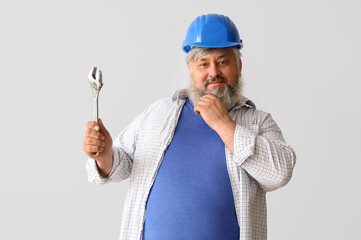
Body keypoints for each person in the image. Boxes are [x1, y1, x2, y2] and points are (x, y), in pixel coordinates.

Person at [83, 13, 296, 240]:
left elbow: (279, 174)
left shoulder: (258, 122)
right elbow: (120, 165)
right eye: (203, 63)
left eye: (223, 61)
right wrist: (104, 155)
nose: (213, 72)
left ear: (239, 65)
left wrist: (225, 125)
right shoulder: (157, 113)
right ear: (190, 70)